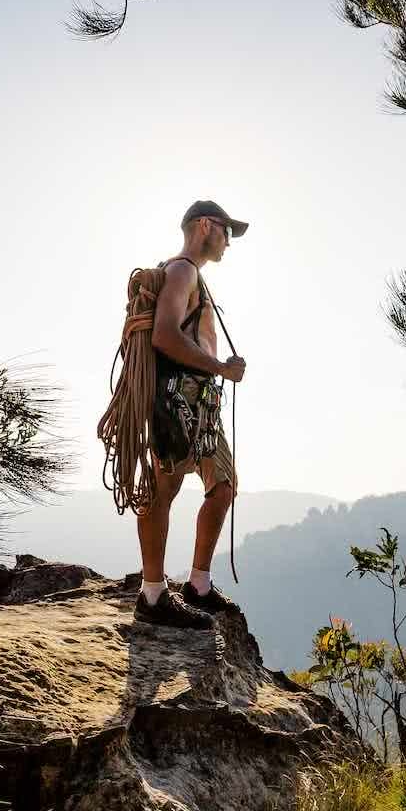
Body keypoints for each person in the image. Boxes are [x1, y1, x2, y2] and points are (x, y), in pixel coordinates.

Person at [134, 200, 248, 629]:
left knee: (223, 484)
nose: (228, 242)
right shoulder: (181, 271)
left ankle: (198, 584)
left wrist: (216, 373)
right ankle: (152, 594)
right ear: (204, 226)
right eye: (226, 231)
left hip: (200, 401)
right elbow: (164, 335)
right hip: (178, 398)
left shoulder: (191, 274)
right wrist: (220, 367)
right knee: (163, 489)